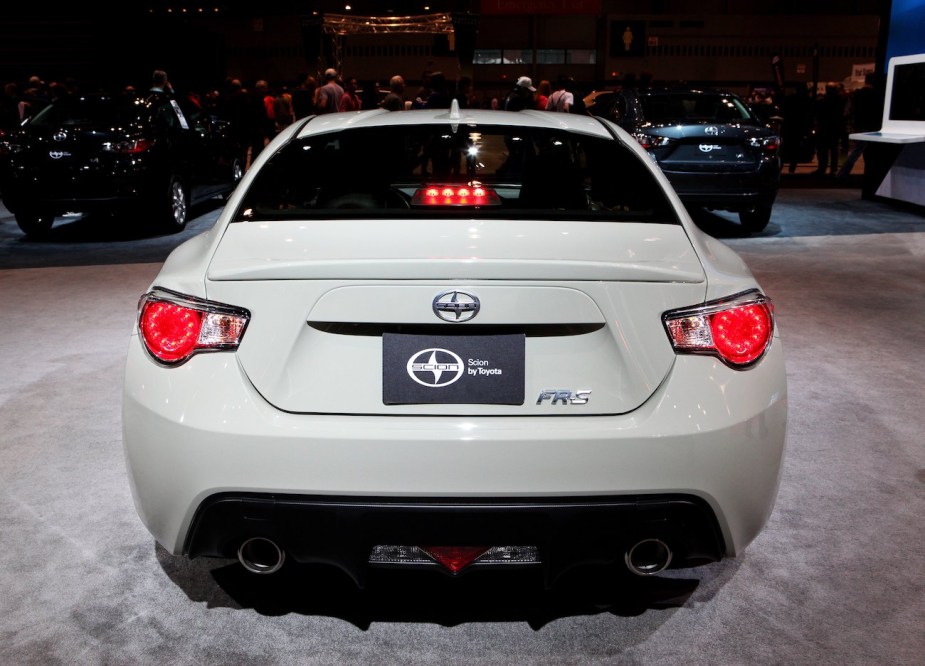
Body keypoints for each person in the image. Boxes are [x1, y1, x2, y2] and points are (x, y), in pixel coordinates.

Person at [837, 73, 881, 179]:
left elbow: (851, 110)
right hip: (871, 125)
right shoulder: (876, 94)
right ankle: (844, 173)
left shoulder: (857, 94)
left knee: (859, 149)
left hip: (859, 124)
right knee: (865, 151)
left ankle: (844, 172)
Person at [814, 82, 846, 176]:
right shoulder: (840, 100)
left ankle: (822, 168)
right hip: (835, 128)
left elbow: (817, 113)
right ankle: (833, 169)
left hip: (824, 127)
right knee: (834, 150)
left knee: (822, 150)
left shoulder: (822, 101)